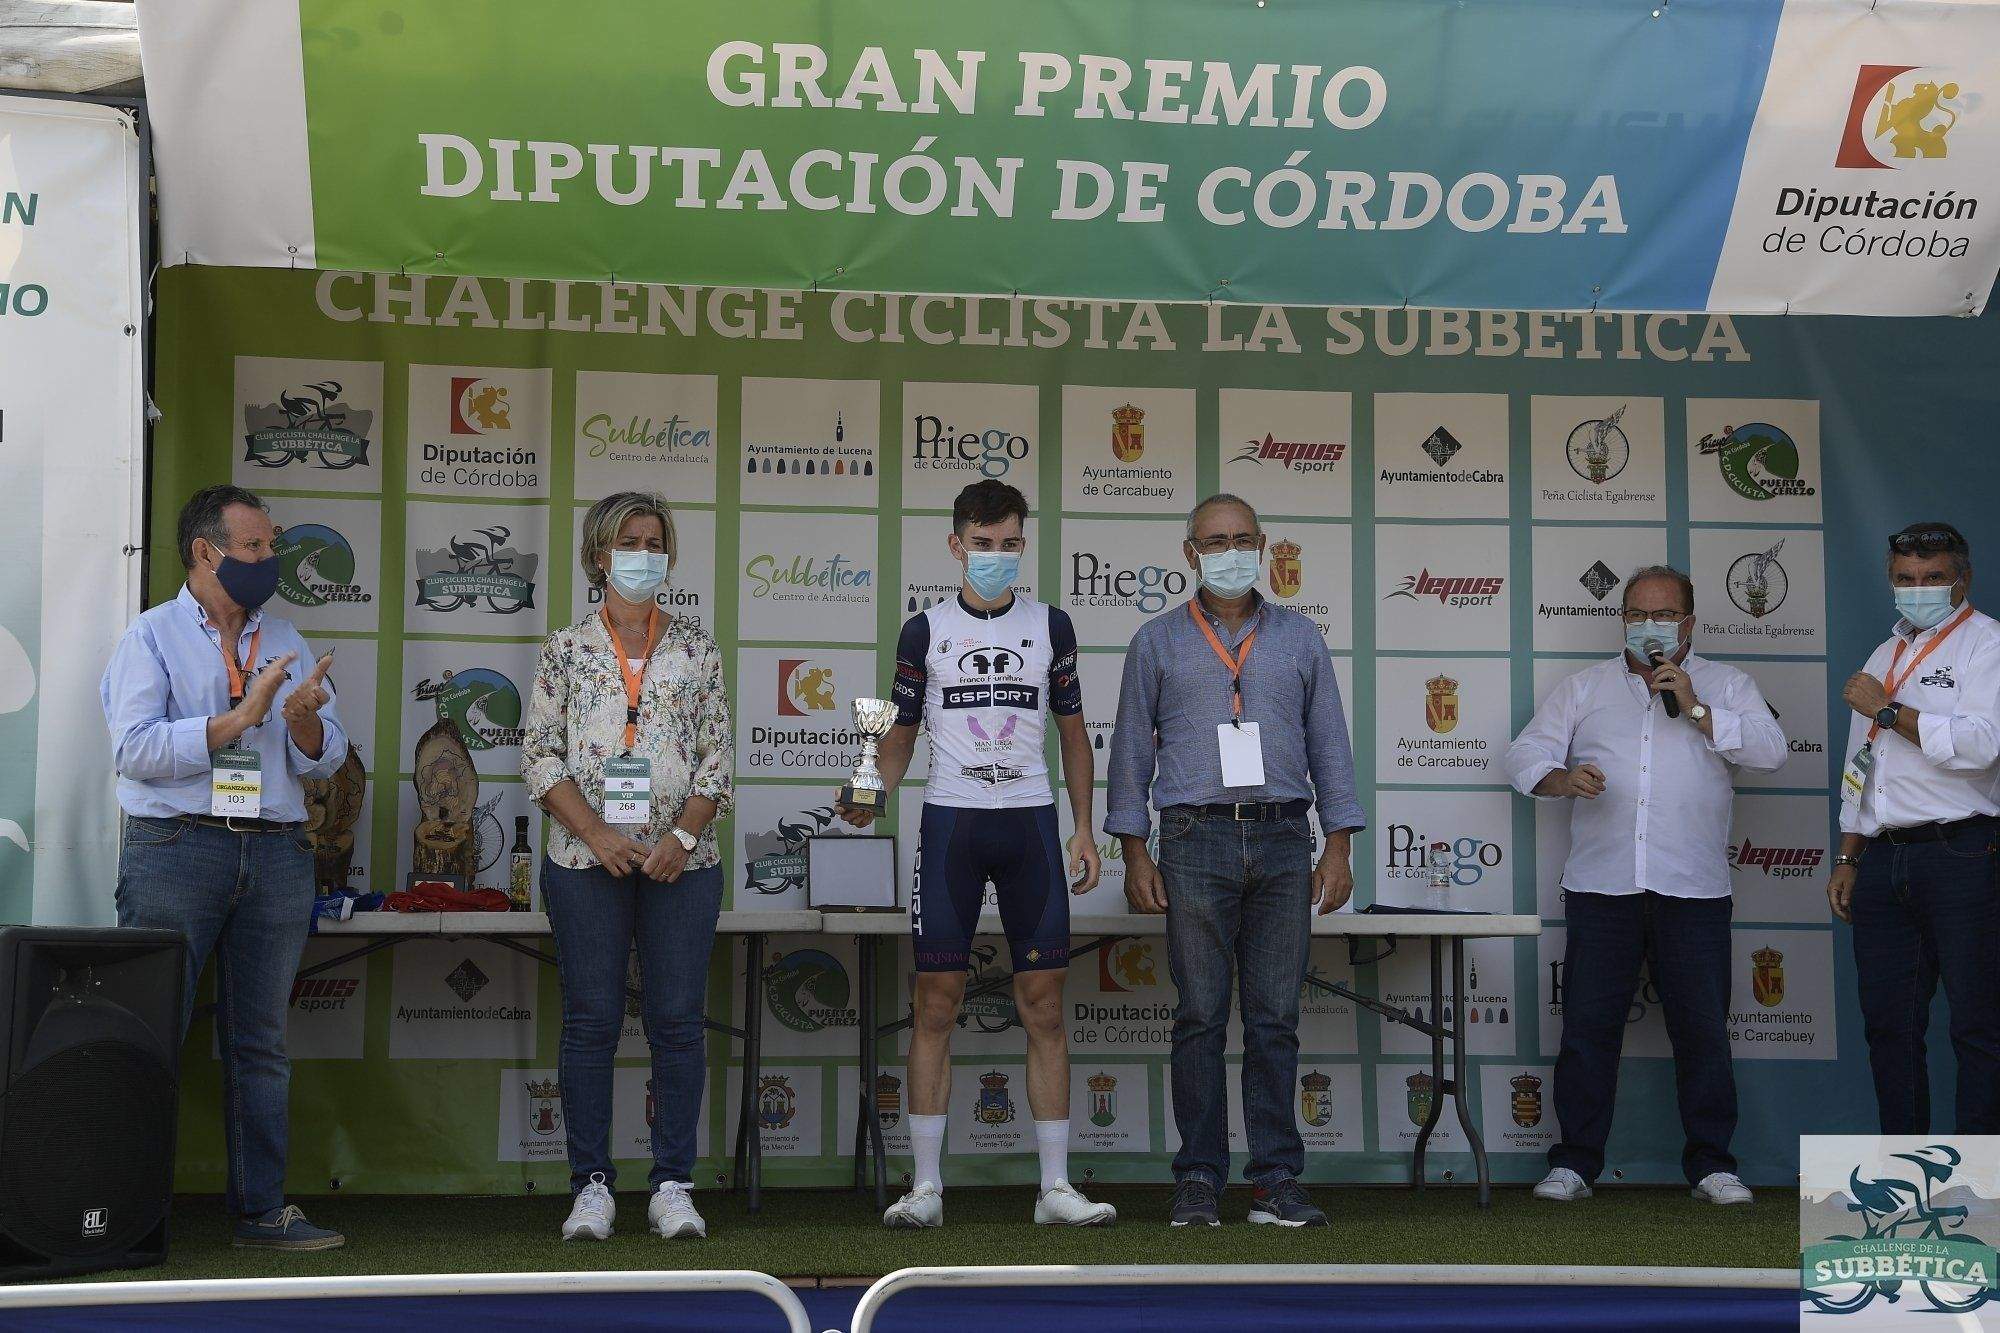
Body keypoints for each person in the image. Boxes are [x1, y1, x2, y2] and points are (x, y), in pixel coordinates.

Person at [835, 479, 1111, 1228]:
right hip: (952, 822)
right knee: (935, 1003)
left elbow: (1074, 734)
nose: (995, 556)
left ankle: (1055, 1187)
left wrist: (1084, 827)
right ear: (956, 544)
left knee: (1044, 1005)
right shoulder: (923, 631)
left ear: (1023, 544)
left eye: (1008, 544)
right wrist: (869, 791)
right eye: (981, 544)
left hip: (1029, 824)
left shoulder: (1051, 624)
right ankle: (925, 1188)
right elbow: (898, 734)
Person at [1107, 494, 1364, 1229]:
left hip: (1286, 839)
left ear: (1264, 545)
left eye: (1242, 538)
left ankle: (1276, 1179)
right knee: (1198, 1016)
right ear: (1189, 552)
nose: (1230, 550)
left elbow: (1330, 747)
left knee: (1276, 1018)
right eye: (1214, 540)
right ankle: (1197, 1178)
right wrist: (1133, 850)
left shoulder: (1301, 637)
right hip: (1193, 841)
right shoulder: (1155, 641)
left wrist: (1339, 842)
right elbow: (1129, 752)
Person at [101, 484, 347, 1250]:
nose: (270, 560)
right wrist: (236, 721)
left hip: (275, 851)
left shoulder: (286, 635)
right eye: (255, 547)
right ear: (206, 552)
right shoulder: (151, 635)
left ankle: (261, 1210)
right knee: (149, 1031)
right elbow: (134, 746)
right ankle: (120, 1212)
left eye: (270, 546)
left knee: (261, 1042)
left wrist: (304, 725)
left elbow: (328, 753)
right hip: (178, 847)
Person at [1505, 565, 1785, 1206]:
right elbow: (1523, 755)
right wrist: (1561, 778)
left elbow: (1771, 751)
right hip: (1603, 887)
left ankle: (1712, 1164)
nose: (1648, 626)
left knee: (1703, 1032)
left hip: (1694, 888)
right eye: (1635, 614)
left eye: (1662, 615)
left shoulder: (1728, 685)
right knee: (1587, 1029)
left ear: (1689, 622)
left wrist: (1696, 706)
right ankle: (1575, 1163)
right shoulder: (1585, 687)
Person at [522, 491, 733, 1241]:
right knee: (590, 1022)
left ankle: (673, 1182)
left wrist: (679, 837)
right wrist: (600, 834)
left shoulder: (698, 648)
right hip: (587, 861)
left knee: (677, 1022)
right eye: (629, 541)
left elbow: (718, 759)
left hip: (686, 862)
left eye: (655, 540)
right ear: (600, 555)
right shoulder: (566, 649)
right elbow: (540, 757)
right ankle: (591, 1186)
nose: (644, 552)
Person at [1829, 522, 2000, 1133]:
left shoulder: (1988, 645)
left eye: (1933, 578)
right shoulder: (1886, 653)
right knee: (1889, 1026)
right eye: (1906, 578)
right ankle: (1902, 1178)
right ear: (1890, 580)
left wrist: (1888, 708)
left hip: (1962, 852)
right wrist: (1850, 853)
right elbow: (1863, 763)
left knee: (1978, 1024)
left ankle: (1979, 1190)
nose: (1918, 588)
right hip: (1883, 857)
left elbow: (1982, 746)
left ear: (1963, 579)